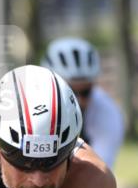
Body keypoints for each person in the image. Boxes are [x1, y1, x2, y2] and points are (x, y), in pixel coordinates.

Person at [42, 37, 125, 168]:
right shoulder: (31, 106)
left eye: (85, 92)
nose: (78, 101)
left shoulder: (108, 111)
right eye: (70, 92)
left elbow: (99, 171)